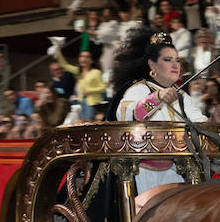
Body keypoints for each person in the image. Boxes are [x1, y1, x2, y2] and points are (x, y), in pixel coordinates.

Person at [112, 28, 207, 194]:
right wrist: (156, 98)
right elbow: (132, 116)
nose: (175, 65)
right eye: (168, 59)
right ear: (152, 64)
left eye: (177, 60)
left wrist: (216, 119)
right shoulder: (139, 89)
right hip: (143, 174)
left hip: (177, 173)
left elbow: (201, 125)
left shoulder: (182, 96)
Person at [54, 46, 107, 120]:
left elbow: (103, 88)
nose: (83, 58)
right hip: (82, 102)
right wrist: (58, 51)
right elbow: (64, 65)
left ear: (91, 60)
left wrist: (90, 91)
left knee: (88, 123)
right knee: (83, 124)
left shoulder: (96, 72)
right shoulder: (78, 72)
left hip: (93, 103)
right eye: (81, 56)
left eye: (87, 57)